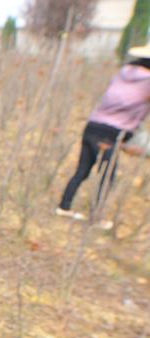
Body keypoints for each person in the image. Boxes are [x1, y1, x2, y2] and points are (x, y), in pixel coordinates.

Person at [56, 44, 150, 229]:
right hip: (113, 132)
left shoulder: (123, 73)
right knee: (107, 176)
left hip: (92, 125)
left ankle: (64, 206)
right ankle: (96, 217)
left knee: (82, 170)